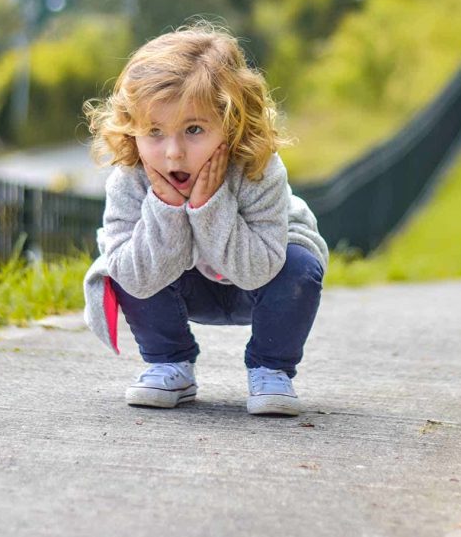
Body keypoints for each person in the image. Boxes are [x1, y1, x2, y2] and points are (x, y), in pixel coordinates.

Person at [82, 23, 328, 416]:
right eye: (155, 132)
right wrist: (164, 207)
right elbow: (135, 277)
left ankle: (271, 368)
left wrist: (209, 204)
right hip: (183, 284)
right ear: (133, 132)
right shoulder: (129, 180)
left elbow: (258, 271)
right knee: (118, 265)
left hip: (259, 283)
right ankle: (169, 362)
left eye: (193, 129)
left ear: (231, 126)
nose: (174, 153)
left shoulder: (258, 170)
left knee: (300, 265)